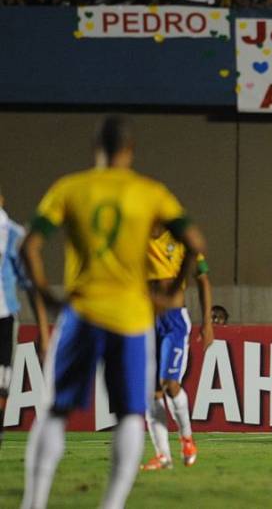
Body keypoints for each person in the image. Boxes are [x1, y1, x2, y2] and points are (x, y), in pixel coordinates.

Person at [19, 115, 206, 509]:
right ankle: (112, 505)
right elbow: (193, 240)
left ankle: (33, 503)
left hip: (81, 313)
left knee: (54, 411)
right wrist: (172, 292)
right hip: (133, 318)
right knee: (129, 414)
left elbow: (30, 245)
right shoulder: (150, 193)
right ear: (130, 150)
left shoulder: (70, 188)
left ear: (95, 149)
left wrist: (49, 298)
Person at [140, 226, 214, 470]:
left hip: (173, 322)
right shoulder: (135, 240)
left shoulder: (179, 241)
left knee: (169, 384)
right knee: (152, 392)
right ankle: (163, 456)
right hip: (146, 321)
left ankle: (187, 440)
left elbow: (203, 279)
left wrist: (207, 323)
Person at [1, 187, 49, 451]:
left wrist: (43, 329)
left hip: (4, 317)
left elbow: (31, 285)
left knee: (1, 383)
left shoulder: (14, 235)